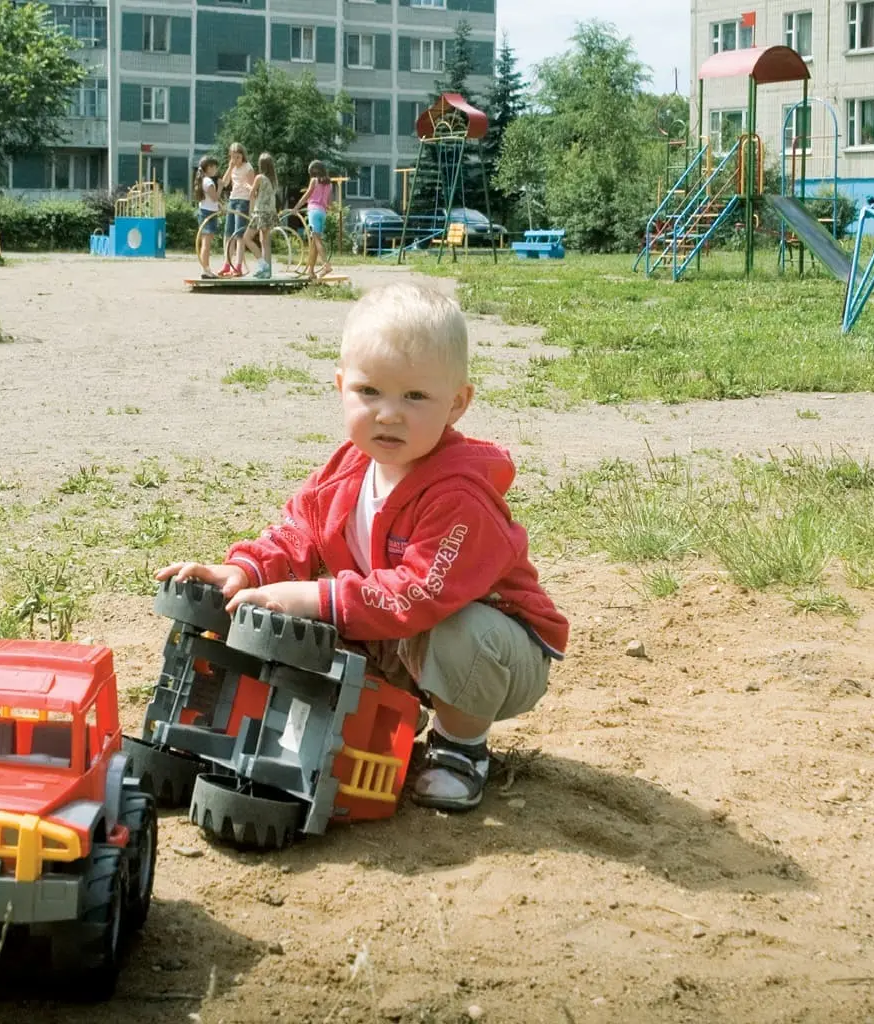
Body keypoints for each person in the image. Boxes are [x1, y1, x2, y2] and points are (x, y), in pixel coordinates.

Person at [156, 282, 570, 812]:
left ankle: (459, 747)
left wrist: (312, 596)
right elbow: (297, 531)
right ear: (341, 387)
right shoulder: (347, 469)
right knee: (300, 615)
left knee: (460, 631)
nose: (389, 414)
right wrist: (246, 569)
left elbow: (419, 595)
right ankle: (391, 714)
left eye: (415, 396)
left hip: (497, 651)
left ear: (457, 404)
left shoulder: (459, 495)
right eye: (369, 392)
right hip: (398, 638)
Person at [291, 160, 334, 282]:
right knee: (314, 243)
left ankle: (326, 265)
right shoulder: (329, 184)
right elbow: (330, 203)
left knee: (316, 240)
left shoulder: (314, 181)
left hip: (313, 212)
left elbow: (307, 196)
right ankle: (311, 271)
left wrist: (296, 208)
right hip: (322, 213)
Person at [220, 143, 256, 278]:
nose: (236, 160)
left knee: (239, 235)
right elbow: (224, 183)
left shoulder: (248, 168)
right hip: (232, 200)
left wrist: (252, 210)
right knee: (228, 234)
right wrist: (230, 167)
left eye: (238, 157)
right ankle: (226, 264)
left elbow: (253, 190)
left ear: (243, 156)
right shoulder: (233, 167)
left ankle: (238, 266)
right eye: (233, 157)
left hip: (243, 201)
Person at [246, 152, 279, 280]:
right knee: (265, 242)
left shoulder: (259, 177)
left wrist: (247, 186)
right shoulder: (273, 180)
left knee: (246, 238)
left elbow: (252, 194)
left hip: (260, 213)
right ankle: (267, 271)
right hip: (270, 213)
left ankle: (262, 265)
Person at [193, 155, 222, 279]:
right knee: (206, 243)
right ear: (209, 167)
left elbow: (212, 201)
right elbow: (215, 198)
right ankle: (206, 270)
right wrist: (220, 186)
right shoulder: (208, 182)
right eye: (214, 167)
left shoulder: (203, 180)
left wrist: (220, 206)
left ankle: (206, 269)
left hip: (206, 211)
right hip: (208, 214)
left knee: (206, 242)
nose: (216, 169)